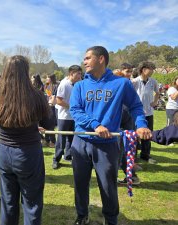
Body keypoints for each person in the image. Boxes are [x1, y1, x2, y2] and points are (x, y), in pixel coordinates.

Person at [69, 46, 151, 225]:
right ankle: (82, 216)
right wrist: (95, 125)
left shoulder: (121, 84)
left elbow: (136, 107)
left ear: (101, 59)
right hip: (80, 142)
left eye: (88, 58)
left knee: (108, 186)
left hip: (107, 144)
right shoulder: (80, 85)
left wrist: (141, 125)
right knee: (80, 184)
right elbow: (75, 110)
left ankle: (111, 219)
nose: (84, 62)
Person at [0, 55, 50, 225]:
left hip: (3, 151)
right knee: (31, 203)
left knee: (8, 201)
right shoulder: (36, 95)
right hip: (27, 153)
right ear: (26, 71)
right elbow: (48, 122)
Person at [114, 63, 141, 185]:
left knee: (119, 152)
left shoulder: (123, 85)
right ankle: (131, 176)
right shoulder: (127, 84)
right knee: (124, 152)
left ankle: (129, 177)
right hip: (126, 120)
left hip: (123, 121)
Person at [52, 65, 82, 169]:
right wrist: (72, 107)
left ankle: (68, 156)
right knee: (61, 139)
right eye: (78, 73)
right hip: (64, 116)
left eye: (80, 74)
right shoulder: (64, 84)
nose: (80, 76)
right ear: (71, 74)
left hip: (74, 117)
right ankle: (56, 159)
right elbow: (59, 101)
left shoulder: (78, 84)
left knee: (72, 138)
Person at [132, 61, 159, 164]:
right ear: (144, 70)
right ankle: (133, 157)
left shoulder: (153, 81)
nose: (153, 71)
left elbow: (157, 92)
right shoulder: (134, 82)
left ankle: (145, 156)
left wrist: (155, 101)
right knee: (134, 136)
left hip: (149, 113)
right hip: (136, 114)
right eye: (151, 69)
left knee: (148, 135)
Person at [43, 73, 59, 148]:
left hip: (52, 107)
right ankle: (47, 140)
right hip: (46, 107)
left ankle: (53, 141)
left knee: (51, 125)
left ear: (51, 78)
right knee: (46, 124)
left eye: (48, 77)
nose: (46, 79)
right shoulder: (46, 86)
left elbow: (54, 97)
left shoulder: (55, 86)